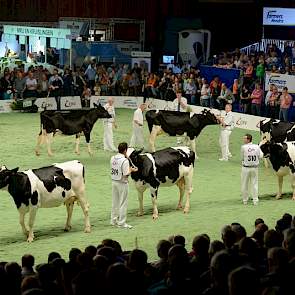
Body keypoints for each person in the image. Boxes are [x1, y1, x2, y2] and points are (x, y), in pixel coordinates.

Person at [110, 142, 138, 229]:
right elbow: (126, 174)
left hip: (114, 181)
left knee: (115, 202)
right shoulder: (125, 161)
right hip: (122, 183)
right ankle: (122, 223)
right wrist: (131, 170)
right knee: (123, 203)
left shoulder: (112, 158)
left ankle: (113, 220)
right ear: (125, 150)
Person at [240, 133, 263, 205]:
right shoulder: (256, 146)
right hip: (255, 168)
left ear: (248, 139)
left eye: (245, 138)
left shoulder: (243, 147)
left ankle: (245, 200)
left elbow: (242, 157)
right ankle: (255, 200)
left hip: (246, 168)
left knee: (244, 184)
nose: (243, 139)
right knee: (254, 184)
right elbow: (261, 156)